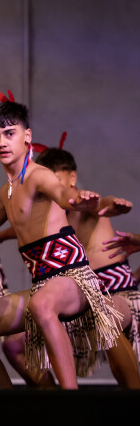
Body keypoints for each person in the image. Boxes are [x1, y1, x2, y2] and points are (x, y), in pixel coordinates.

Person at [0, 91, 122, 389]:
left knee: (42, 305)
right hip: (42, 286)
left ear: (27, 136)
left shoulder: (39, 176)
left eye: (10, 133)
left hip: (74, 280)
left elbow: (63, 194)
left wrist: (76, 198)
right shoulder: (6, 191)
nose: (2, 142)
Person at [34, 147, 138, 387]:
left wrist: (114, 204)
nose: (51, 189)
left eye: (55, 182)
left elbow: (102, 203)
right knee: (19, 341)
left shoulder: (86, 204)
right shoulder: (56, 216)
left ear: (72, 178)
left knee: (106, 316)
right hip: (89, 301)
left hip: (120, 297)